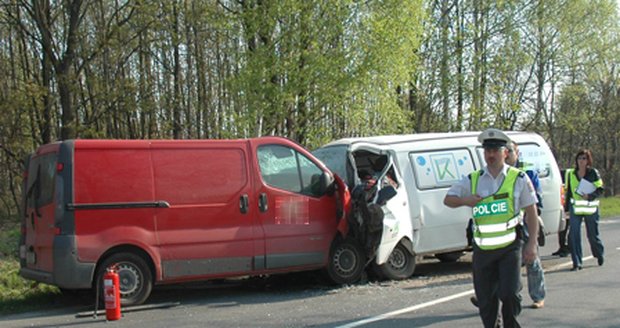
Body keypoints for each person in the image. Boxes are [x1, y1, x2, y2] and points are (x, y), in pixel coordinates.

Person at [444, 128, 538, 328]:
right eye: (487, 151)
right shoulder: (473, 179)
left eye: (495, 150)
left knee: (509, 294)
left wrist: (532, 245)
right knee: (486, 301)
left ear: (506, 152)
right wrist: (465, 200)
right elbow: (448, 200)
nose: (491, 155)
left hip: (510, 247)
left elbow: (531, 212)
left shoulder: (519, 178)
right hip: (483, 250)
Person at [564, 149, 604, 271]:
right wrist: (566, 209)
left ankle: (598, 253)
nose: (581, 161)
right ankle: (577, 262)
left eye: (584, 158)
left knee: (592, 235)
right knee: (573, 235)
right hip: (575, 208)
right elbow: (569, 192)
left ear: (588, 161)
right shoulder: (570, 173)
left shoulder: (593, 173)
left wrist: (590, 196)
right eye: (579, 158)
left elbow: (600, 189)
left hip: (590, 208)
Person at [552, 169, 570, 257]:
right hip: (562, 206)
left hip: (568, 206)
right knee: (561, 228)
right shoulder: (559, 174)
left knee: (566, 229)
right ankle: (562, 247)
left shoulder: (567, 175)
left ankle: (567, 248)